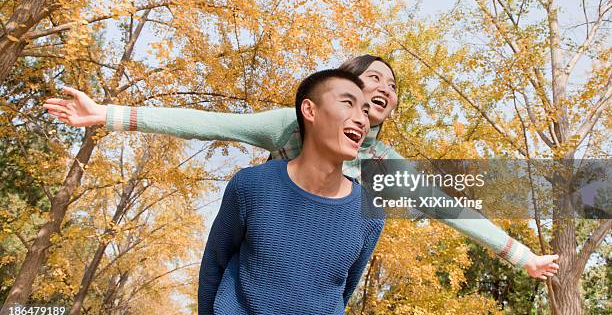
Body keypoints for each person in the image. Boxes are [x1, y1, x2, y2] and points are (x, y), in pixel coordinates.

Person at [43, 55, 559, 279]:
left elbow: (447, 208)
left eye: (393, 86)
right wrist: (106, 115)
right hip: (258, 260)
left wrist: (522, 257)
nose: (384, 88)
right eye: (372, 77)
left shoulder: (382, 163)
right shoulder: (290, 125)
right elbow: (206, 122)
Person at [199, 69, 384, 315]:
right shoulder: (251, 185)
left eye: (365, 111)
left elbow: (342, 291)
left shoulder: (370, 212)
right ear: (310, 111)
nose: (362, 120)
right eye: (347, 103)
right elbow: (213, 267)